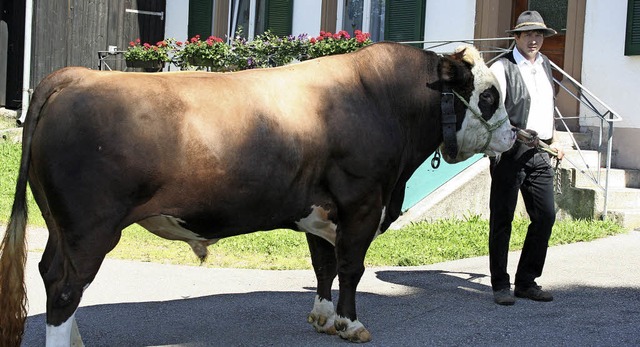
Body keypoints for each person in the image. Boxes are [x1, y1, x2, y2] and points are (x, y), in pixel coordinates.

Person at [488, 10, 565, 306]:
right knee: (502, 219)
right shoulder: (501, 68)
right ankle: (500, 285)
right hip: (509, 153)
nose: (534, 40)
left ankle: (526, 282)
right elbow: (492, 114)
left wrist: (555, 139)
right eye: (528, 34)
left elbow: (548, 107)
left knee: (546, 216)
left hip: (540, 152)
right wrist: (517, 133)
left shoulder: (545, 65)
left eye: (539, 35)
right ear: (517, 37)